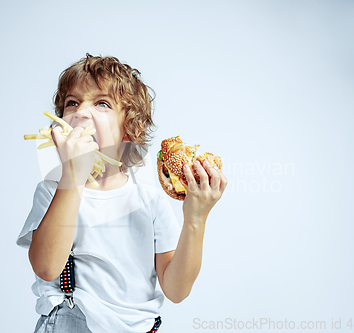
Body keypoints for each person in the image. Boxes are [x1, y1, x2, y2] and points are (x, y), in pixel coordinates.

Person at [16, 53, 228, 333]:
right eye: (72, 102)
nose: (80, 112)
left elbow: (176, 290)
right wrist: (73, 176)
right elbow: (46, 268)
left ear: (129, 129)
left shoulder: (149, 200)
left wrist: (195, 219)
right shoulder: (53, 190)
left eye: (102, 103)